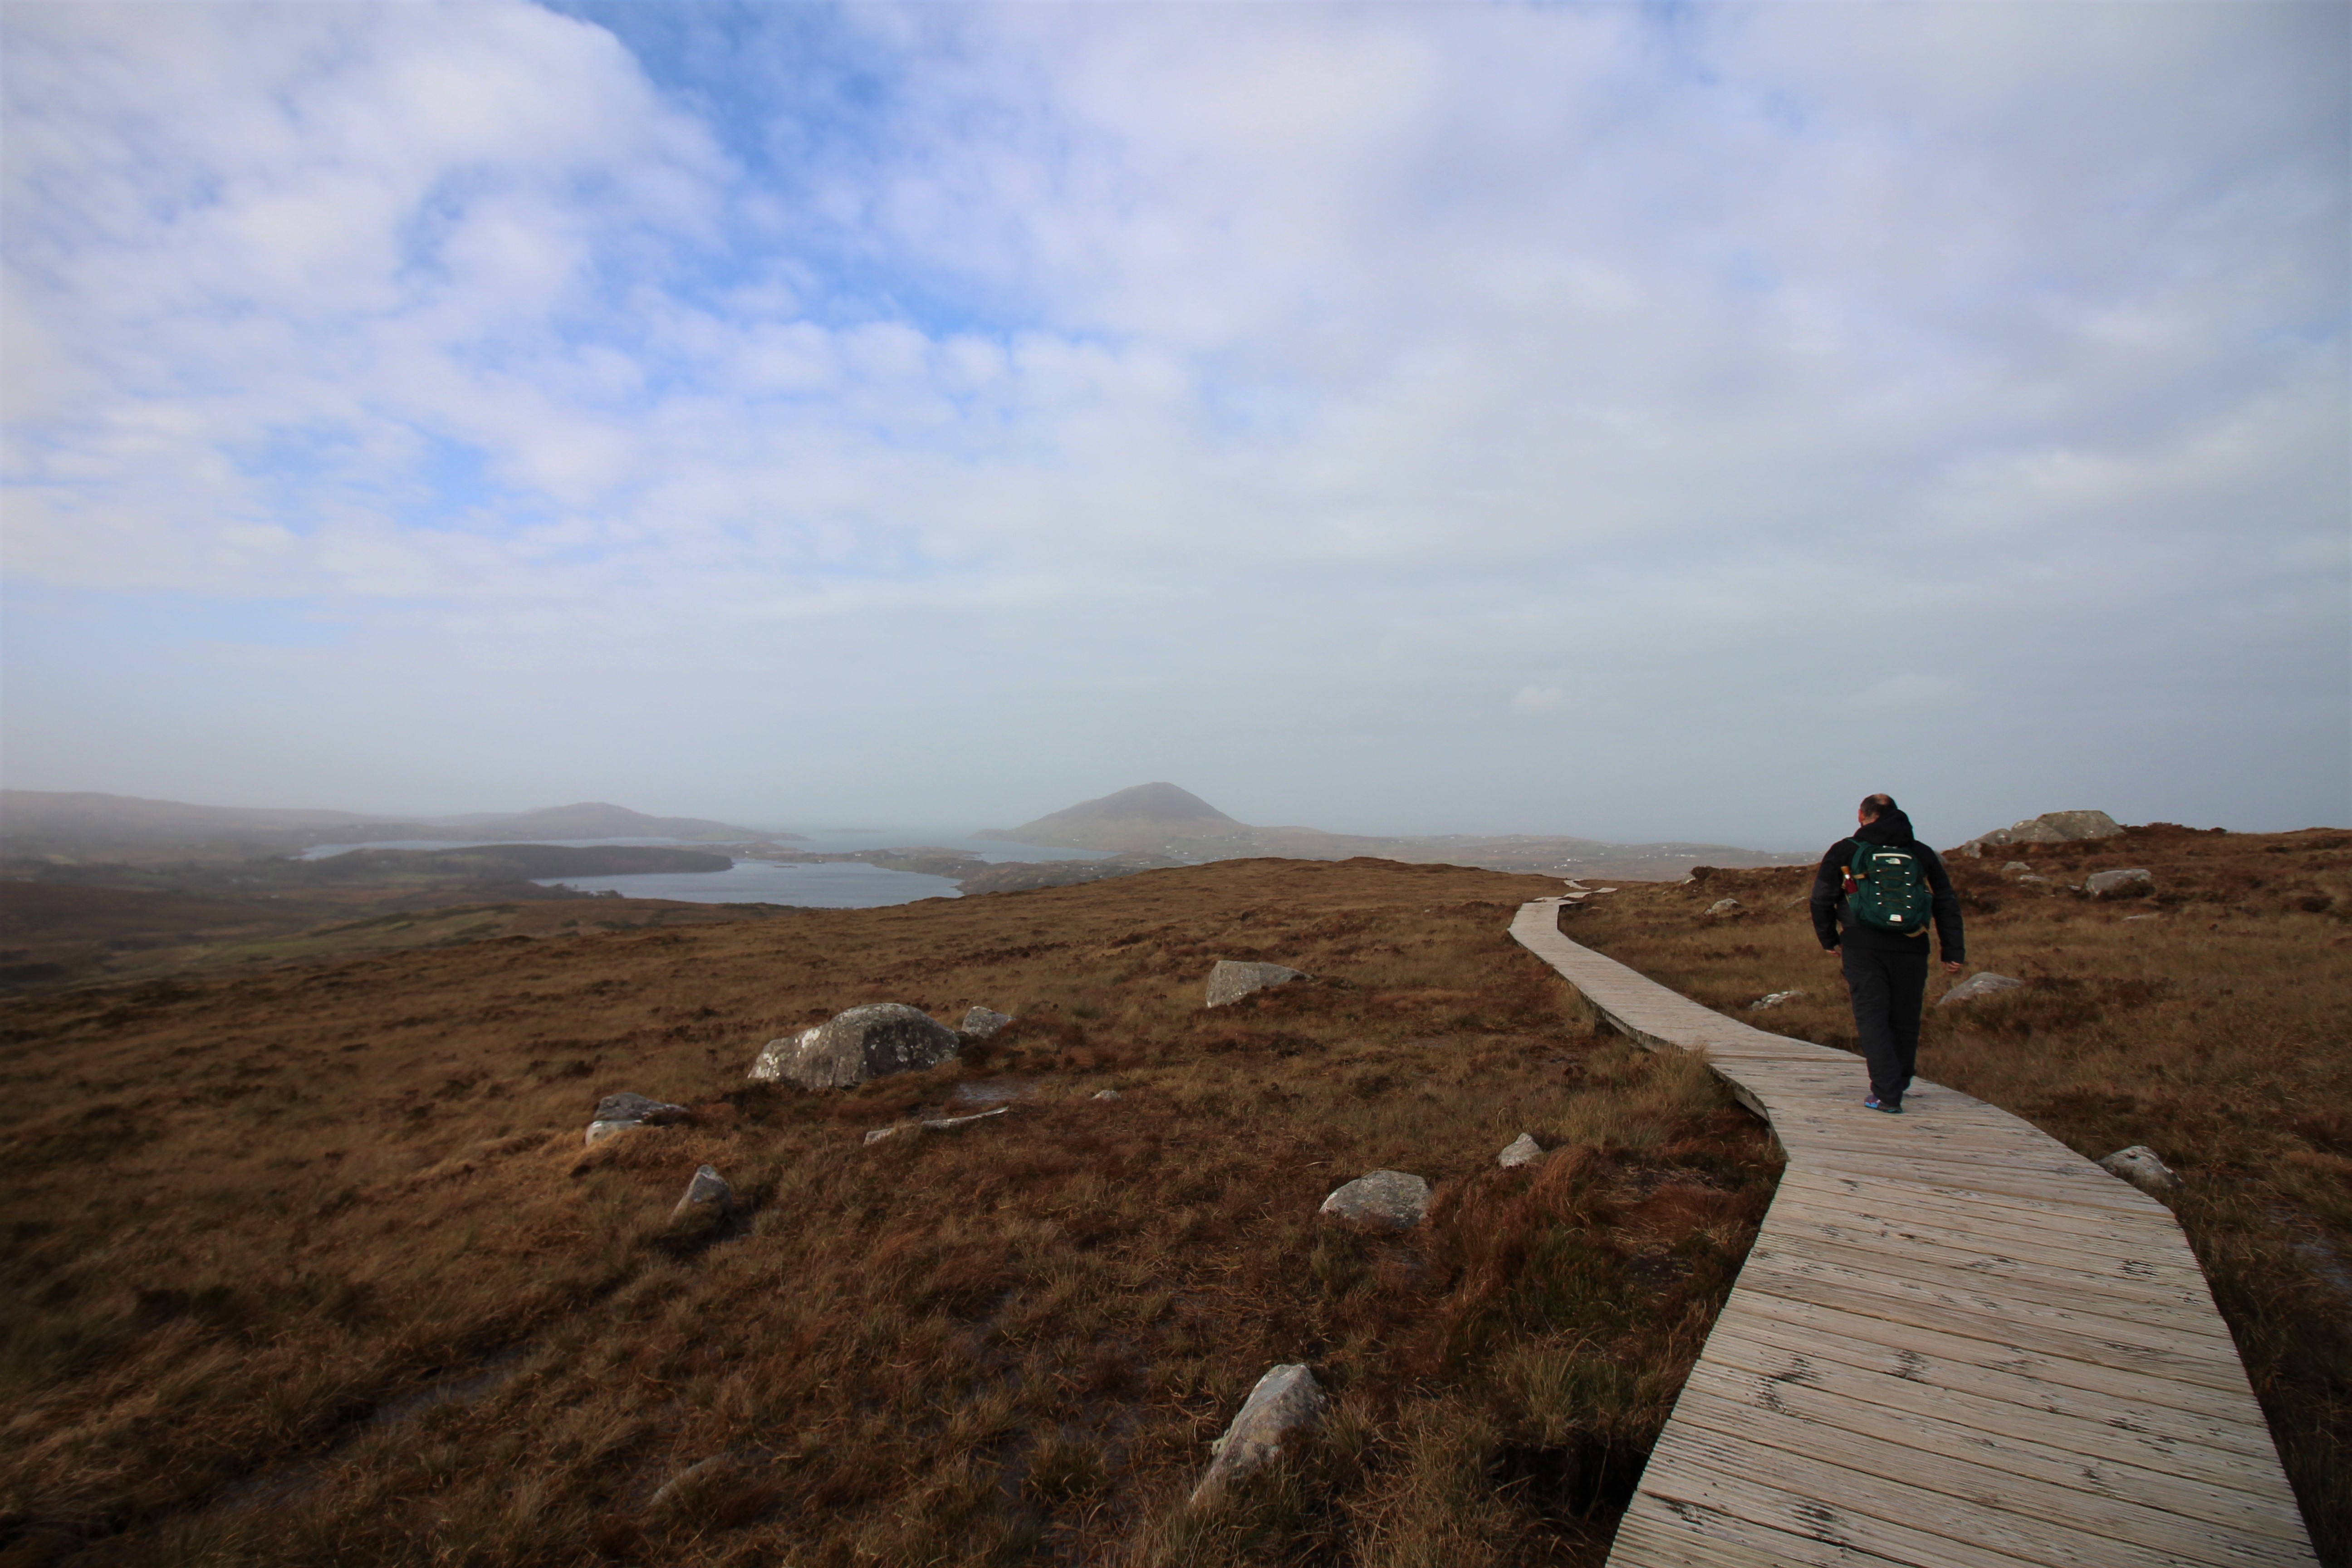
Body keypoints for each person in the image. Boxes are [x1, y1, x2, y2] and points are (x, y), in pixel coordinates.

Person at [1811, 793, 1964, 1114]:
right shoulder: (1920, 852)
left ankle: (1886, 1093)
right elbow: (1945, 901)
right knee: (1905, 1017)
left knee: (1872, 1016)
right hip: (1912, 944)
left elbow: (1822, 898)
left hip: (1862, 945)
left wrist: (1829, 939)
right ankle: (1899, 1082)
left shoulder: (1846, 850)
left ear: (1861, 815)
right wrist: (1953, 950)